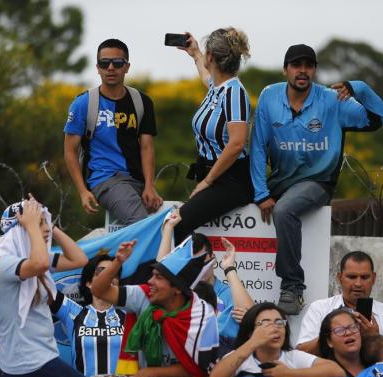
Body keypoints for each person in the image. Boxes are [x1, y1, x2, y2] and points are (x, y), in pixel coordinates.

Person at [250, 44, 383, 315]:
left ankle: (292, 288)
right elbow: (258, 147)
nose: (302, 71)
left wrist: (357, 87)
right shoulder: (269, 96)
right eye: (296, 65)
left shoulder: (333, 100)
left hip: (318, 181)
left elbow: (378, 116)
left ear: (314, 70)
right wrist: (261, 193)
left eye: (308, 66)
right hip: (280, 180)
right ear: (285, 69)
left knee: (285, 209)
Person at [0, 198, 96, 377]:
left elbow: (79, 259)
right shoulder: (2, 264)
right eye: (40, 222)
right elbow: (40, 265)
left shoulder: (33, 259)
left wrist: (51, 227)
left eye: (45, 220)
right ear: (19, 230)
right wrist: (32, 227)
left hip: (40, 361)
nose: (45, 227)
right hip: (28, 364)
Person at [91, 237, 219, 377]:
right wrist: (118, 261)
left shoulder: (202, 316)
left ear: (177, 289)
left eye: (158, 277)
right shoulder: (143, 295)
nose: (150, 281)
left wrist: (149, 373)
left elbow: (198, 368)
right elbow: (98, 290)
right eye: (152, 275)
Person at [64, 38, 162, 226]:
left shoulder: (142, 102)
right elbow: (70, 151)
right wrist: (83, 191)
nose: (110, 68)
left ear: (127, 67)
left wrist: (150, 186)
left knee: (164, 223)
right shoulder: (82, 104)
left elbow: (147, 147)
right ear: (97, 67)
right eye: (104, 63)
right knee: (141, 224)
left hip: (136, 180)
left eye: (117, 63)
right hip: (105, 179)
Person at [173, 27, 253, 244]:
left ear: (212, 57)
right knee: (180, 229)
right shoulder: (217, 87)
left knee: (175, 226)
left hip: (229, 179)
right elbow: (206, 77)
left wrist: (207, 182)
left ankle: (167, 277)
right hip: (214, 175)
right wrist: (196, 54)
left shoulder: (234, 92)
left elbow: (237, 144)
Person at [158, 210, 254, 355]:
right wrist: (168, 229)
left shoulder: (227, 292)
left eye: (201, 260)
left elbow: (251, 316)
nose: (197, 268)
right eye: (192, 262)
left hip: (225, 358)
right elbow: (161, 273)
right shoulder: (182, 292)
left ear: (212, 257)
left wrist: (229, 268)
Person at [50, 252, 139, 377]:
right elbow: (40, 281)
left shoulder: (130, 315)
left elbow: (160, 285)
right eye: (102, 272)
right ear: (89, 283)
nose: (109, 277)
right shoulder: (73, 312)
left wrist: (167, 230)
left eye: (114, 274)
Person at [209, 302, 344, 377]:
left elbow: (337, 371)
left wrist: (290, 374)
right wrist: (253, 342)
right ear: (250, 331)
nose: (275, 328)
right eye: (266, 323)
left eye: (280, 323)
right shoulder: (241, 358)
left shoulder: (293, 357)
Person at [297, 251, 383, 355]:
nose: (358, 284)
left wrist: (375, 339)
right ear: (339, 278)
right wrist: (334, 335)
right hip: (328, 371)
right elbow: (300, 353)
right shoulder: (320, 308)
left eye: (364, 277)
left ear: (373, 279)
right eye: (352, 277)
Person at [318, 309, 365, 377]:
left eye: (353, 327)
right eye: (339, 330)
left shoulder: (377, 363)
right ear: (329, 342)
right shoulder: (327, 376)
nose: (348, 333)